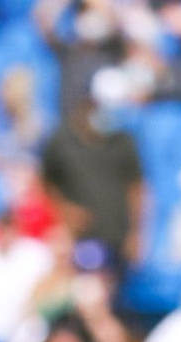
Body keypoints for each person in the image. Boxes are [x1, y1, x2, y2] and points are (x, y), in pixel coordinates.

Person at [39, 73, 146, 267]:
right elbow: (46, 183)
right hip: (81, 239)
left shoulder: (123, 140)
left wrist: (136, 234)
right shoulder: (61, 140)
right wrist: (64, 211)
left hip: (118, 239)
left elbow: (136, 188)